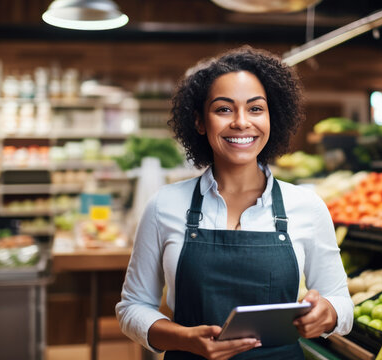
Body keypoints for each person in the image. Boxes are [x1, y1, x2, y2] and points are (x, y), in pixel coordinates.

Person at [116, 46, 353, 360]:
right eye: (224, 109)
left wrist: (328, 313)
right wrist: (184, 339)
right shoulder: (165, 205)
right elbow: (132, 307)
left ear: (273, 117)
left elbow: (342, 302)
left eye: (255, 109)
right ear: (200, 121)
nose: (242, 122)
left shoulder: (307, 206)